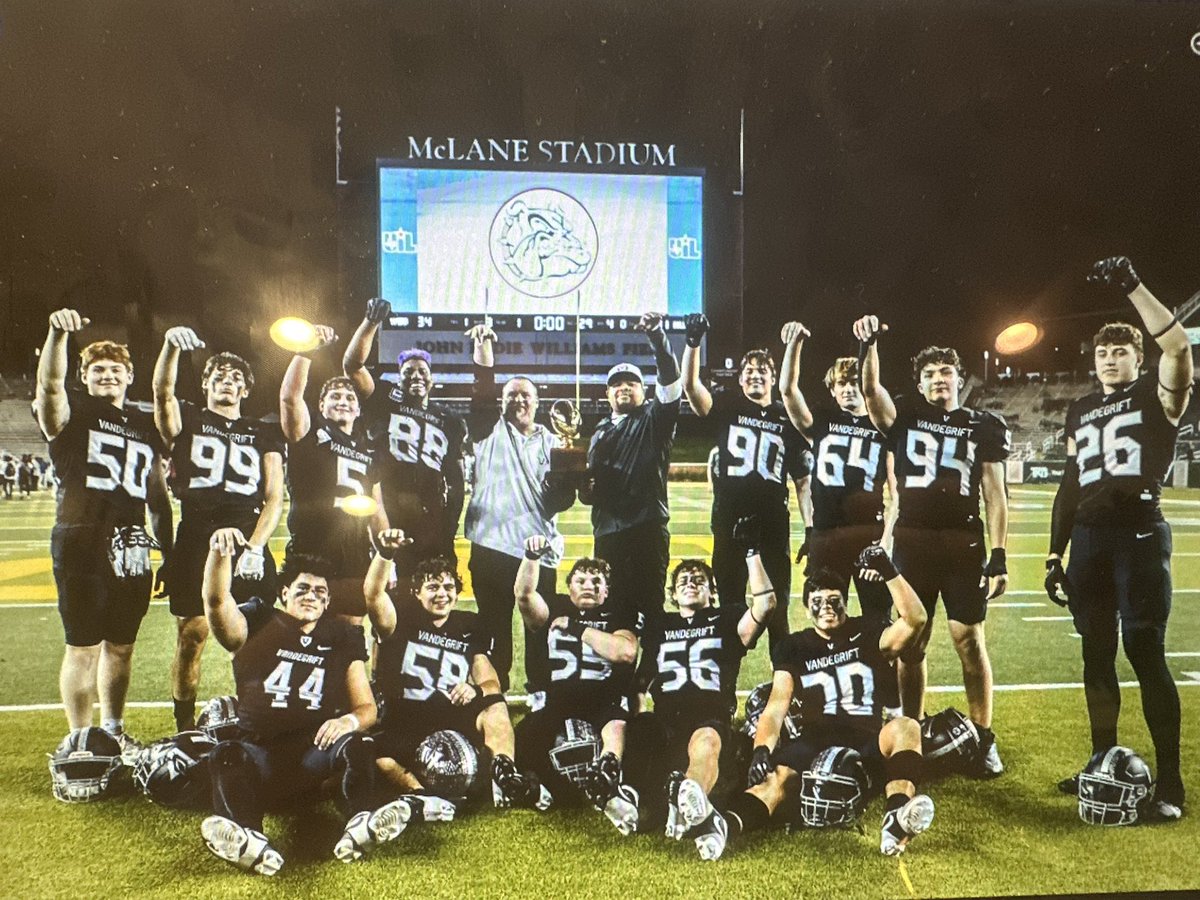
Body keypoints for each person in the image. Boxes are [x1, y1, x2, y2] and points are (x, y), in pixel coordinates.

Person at [1046, 256, 1194, 821]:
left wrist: (1132, 286)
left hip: (1139, 535)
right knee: (1096, 655)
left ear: (1138, 357)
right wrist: (1055, 553)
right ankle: (1101, 761)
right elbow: (1069, 484)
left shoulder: (1158, 396)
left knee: (1144, 651)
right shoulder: (1080, 408)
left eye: (1120, 351)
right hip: (1089, 541)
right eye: (1102, 352)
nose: (1109, 359)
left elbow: (1177, 347)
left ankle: (1171, 783)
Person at [701, 546, 932, 860]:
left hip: (865, 737)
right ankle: (722, 828)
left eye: (834, 600)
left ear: (846, 603)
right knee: (776, 779)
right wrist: (761, 749)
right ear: (807, 608)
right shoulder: (794, 646)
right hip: (813, 740)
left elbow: (916, 619)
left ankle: (896, 818)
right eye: (818, 602)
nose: (827, 608)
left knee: (906, 727)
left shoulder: (868, 631)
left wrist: (888, 569)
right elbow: (777, 705)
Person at [853, 315, 1010, 777]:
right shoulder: (904, 416)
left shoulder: (983, 425)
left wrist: (998, 554)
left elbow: (995, 493)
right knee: (912, 643)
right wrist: (869, 346)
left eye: (946, 371)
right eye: (929, 374)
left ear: (960, 379)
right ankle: (913, 727)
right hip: (913, 540)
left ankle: (983, 737)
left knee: (969, 640)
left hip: (963, 542)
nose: (938, 378)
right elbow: (870, 391)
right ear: (919, 384)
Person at [198, 537, 407, 875]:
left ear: (328, 602)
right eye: (303, 588)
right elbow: (216, 601)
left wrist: (347, 722)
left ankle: (360, 822)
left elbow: (366, 708)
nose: (312, 596)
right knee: (225, 753)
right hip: (261, 756)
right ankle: (248, 837)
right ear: (284, 593)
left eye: (320, 592)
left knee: (357, 743)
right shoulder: (259, 620)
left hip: (314, 755)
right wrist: (219, 553)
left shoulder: (341, 636)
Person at [34, 309, 172, 752]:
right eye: (97, 369)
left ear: (130, 377)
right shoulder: (71, 411)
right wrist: (57, 335)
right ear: (85, 377)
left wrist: (169, 554)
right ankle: (80, 740)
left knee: (122, 646)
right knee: (83, 647)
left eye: (115, 369)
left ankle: (112, 731)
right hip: (82, 538)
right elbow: (49, 386)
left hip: (131, 545)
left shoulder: (143, 426)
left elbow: (157, 496)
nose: (107, 375)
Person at [153, 327, 285, 731]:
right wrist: (171, 348)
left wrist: (256, 548)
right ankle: (184, 728)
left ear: (245, 390)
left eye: (236, 378)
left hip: (246, 535)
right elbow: (162, 393)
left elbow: (274, 497)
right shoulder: (189, 417)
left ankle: (257, 721)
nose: (228, 381)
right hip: (197, 533)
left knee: (256, 639)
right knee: (191, 636)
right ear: (206, 383)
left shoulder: (263, 431)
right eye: (219, 376)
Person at [365, 533, 549, 810]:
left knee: (495, 706)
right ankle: (420, 793)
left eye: (449, 587)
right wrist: (384, 554)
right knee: (378, 757)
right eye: (433, 587)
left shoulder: (468, 625)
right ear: (417, 592)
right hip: (405, 717)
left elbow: (490, 682)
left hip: (449, 713)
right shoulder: (401, 618)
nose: (442, 594)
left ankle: (504, 775)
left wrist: (475, 689)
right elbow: (373, 595)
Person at [633, 540, 775, 853]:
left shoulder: (726, 618)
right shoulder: (660, 624)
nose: (690, 583)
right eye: (683, 581)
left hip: (709, 716)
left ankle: (689, 800)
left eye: (699, 580)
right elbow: (641, 682)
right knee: (638, 730)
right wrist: (640, 717)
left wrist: (752, 553)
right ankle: (642, 801)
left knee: (707, 741)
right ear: (673, 595)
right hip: (665, 721)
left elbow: (765, 605)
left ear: (713, 591)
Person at [680, 314, 810, 648]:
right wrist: (692, 343)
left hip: (772, 524)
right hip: (729, 522)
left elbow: (802, 480)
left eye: (762, 370)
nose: (755, 375)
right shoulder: (728, 406)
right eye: (748, 371)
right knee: (729, 610)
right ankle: (725, 679)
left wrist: (811, 528)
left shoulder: (787, 417)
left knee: (778, 611)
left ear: (772, 378)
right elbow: (691, 387)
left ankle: (783, 677)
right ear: (740, 380)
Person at [462, 322, 574, 694]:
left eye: (526, 395)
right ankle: (495, 692)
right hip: (491, 545)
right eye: (511, 395)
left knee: (539, 627)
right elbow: (481, 392)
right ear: (502, 402)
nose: (519, 400)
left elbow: (561, 501)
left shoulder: (554, 441)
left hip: (537, 550)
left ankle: (540, 690)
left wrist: (569, 484)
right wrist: (483, 350)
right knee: (493, 625)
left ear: (537, 402)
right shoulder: (488, 432)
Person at [514, 536, 640, 834]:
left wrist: (575, 627)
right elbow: (524, 596)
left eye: (597, 582)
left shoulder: (618, 613)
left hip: (602, 697)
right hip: (559, 698)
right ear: (569, 587)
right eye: (580, 580)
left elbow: (624, 651)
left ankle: (608, 772)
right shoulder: (555, 606)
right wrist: (531, 556)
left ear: (606, 591)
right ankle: (543, 788)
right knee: (526, 737)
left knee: (617, 724)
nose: (588, 586)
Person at [778, 322, 896, 623]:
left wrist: (886, 541)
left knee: (879, 619)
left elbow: (898, 494)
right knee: (824, 615)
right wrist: (794, 345)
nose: (848, 388)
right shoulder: (823, 422)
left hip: (868, 532)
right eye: (841, 383)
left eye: (854, 382)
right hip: (826, 532)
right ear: (832, 390)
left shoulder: (883, 425)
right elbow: (788, 391)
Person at [342, 297, 467, 573]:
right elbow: (352, 366)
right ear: (399, 379)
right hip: (390, 508)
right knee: (390, 583)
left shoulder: (449, 419)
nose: (416, 375)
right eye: (408, 371)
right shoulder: (386, 399)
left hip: (432, 514)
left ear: (432, 379)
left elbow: (456, 478)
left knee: (437, 583)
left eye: (422, 371)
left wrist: (450, 522)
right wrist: (371, 322)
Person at [279, 324, 386, 624]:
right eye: (335, 396)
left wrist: (386, 556)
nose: (343, 401)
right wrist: (306, 352)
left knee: (350, 632)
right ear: (321, 405)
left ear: (358, 411)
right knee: (304, 631)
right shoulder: (309, 432)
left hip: (354, 549)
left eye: (350, 398)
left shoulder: (367, 450)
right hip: (311, 546)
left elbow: (377, 509)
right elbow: (289, 398)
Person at [580, 311, 682, 625]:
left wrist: (657, 337)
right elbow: (592, 488)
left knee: (651, 613)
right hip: (607, 533)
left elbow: (670, 378)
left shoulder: (654, 420)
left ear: (645, 391)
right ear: (607, 393)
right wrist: (586, 490)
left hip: (645, 530)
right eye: (616, 384)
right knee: (609, 615)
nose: (624, 387)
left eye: (631, 383)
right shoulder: (598, 432)